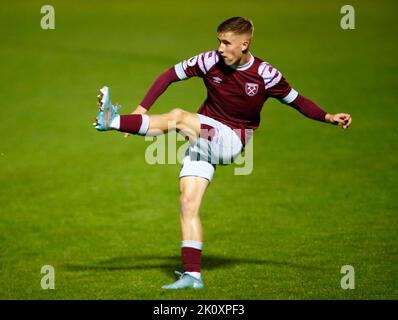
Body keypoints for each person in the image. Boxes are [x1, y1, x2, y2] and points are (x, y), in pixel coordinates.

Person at [93, 17, 352, 289]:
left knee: (179, 117)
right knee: (187, 202)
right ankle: (193, 276)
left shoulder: (265, 74)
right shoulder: (209, 61)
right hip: (204, 140)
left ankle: (110, 120)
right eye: (219, 41)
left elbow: (297, 102)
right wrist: (142, 109)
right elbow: (168, 75)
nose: (220, 47)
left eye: (227, 42)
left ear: (245, 44)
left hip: (231, 140)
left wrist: (328, 116)